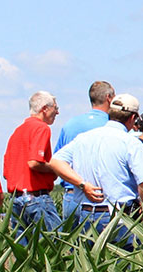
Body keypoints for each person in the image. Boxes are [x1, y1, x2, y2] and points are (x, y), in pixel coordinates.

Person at [48, 94, 143, 248]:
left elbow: (56, 161)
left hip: (87, 215)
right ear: (133, 118)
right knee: (124, 267)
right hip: (119, 217)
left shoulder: (83, 138)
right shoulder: (131, 143)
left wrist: (82, 184)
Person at [4, 91, 96, 242]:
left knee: (25, 253)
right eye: (55, 107)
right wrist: (56, 168)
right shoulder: (41, 128)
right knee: (54, 245)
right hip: (36, 198)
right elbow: (34, 162)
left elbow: (7, 172)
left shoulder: (17, 131)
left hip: (17, 199)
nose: (57, 112)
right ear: (44, 109)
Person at [56, 81, 116, 217]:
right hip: (99, 198)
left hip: (71, 195)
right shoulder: (112, 125)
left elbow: (56, 162)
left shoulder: (69, 125)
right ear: (109, 98)